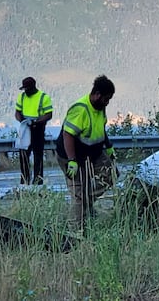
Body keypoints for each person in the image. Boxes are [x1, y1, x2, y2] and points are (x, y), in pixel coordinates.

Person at [55, 75, 117, 225]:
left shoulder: (100, 108)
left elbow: (100, 128)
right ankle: (74, 231)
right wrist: (72, 161)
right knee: (78, 195)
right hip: (73, 157)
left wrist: (108, 147)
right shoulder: (80, 109)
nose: (107, 103)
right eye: (106, 99)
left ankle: (85, 204)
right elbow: (67, 134)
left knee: (111, 173)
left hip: (93, 154)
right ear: (97, 94)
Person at [14, 77, 53, 185]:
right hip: (25, 128)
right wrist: (21, 120)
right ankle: (24, 180)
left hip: (38, 129)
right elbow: (17, 112)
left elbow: (48, 114)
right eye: (24, 88)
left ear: (33, 87)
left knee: (37, 156)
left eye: (27, 88)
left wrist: (37, 121)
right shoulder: (21, 97)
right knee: (23, 155)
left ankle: (37, 181)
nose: (25, 91)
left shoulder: (43, 97)